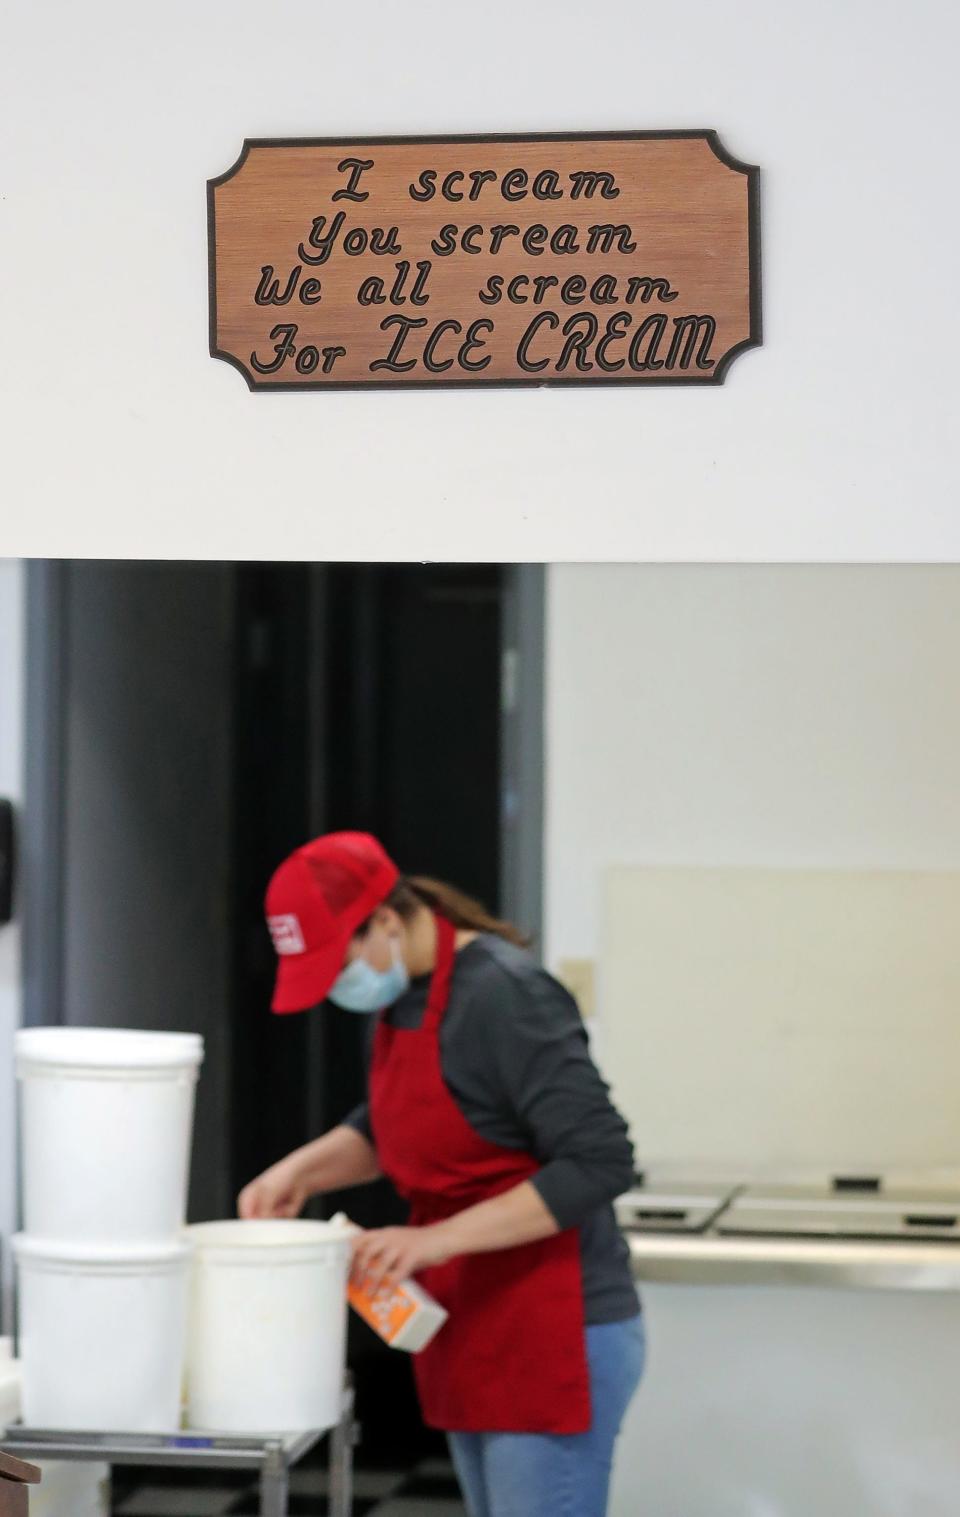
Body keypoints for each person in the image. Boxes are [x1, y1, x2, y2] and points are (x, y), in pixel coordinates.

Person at [239, 830, 644, 1517]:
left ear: (389, 921)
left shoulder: (508, 996)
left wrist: (433, 1240)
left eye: (339, 965)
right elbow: (398, 1123)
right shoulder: (403, 998)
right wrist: (301, 1171)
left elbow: (600, 1160)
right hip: (472, 1326)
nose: (340, 988)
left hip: (550, 1331)